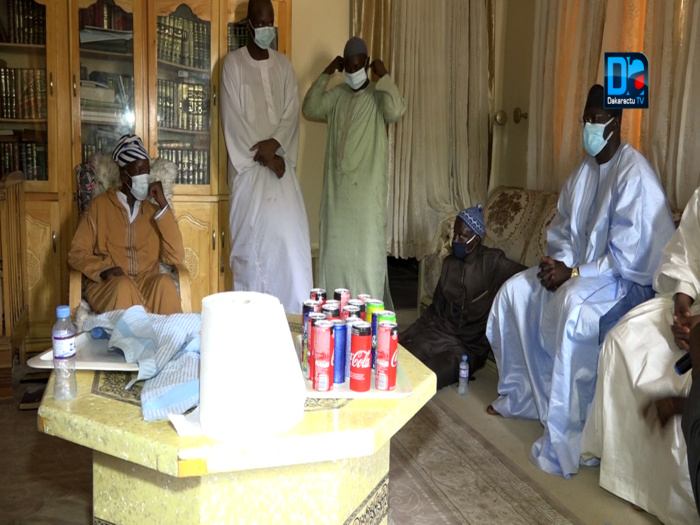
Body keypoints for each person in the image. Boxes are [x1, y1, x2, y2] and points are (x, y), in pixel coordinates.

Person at [486, 84, 675, 478]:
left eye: (596, 118)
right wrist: (559, 265)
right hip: (582, 274)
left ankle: (567, 438)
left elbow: (628, 257)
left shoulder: (635, 175)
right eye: (585, 117)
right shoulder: (582, 174)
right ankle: (523, 396)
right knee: (516, 292)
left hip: (626, 283)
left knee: (574, 308)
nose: (588, 125)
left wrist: (572, 274)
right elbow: (563, 232)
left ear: (616, 122)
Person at [580, 186, 700, 524]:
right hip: (693, 305)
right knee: (622, 340)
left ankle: (669, 498)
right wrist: (682, 302)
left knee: (678, 378)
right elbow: (685, 254)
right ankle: (633, 478)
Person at [219, 0, 312, 315]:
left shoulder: (284, 66)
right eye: (260, 23)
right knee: (252, 252)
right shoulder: (232, 65)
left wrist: (274, 146)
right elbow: (232, 119)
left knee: (291, 248)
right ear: (248, 25)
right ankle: (252, 324)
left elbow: (290, 114)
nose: (266, 29)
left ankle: (293, 323)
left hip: (281, 171)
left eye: (270, 23)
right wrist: (264, 156)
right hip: (248, 173)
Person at [302, 36, 406, 307]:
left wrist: (385, 76)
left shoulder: (378, 97)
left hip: (367, 202)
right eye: (348, 67)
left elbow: (396, 110)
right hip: (337, 200)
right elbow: (310, 107)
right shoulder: (337, 96)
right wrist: (326, 73)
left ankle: (367, 319)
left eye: (358, 66)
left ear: (367, 64)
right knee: (335, 261)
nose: (352, 71)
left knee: (366, 264)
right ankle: (334, 314)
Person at [400, 205, 525, 389]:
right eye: (455, 235)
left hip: (467, 348)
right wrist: (407, 333)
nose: (455, 241)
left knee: (426, 379)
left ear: (477, 240)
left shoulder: (493, 262)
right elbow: (434, 310)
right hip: (437, 334)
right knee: (402, 365)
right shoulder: (449, 264)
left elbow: (526, 275)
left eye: (462, 236)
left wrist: (558, 272)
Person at [68, 134, 185, 315]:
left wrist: (163, 205)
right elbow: (76, 253)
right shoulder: (100, 206)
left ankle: (171, 334)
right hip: (109, 284)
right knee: (124, 287)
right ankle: (130, 334)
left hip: (145, 282)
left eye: (147, 171)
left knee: (165, 284)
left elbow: (175, 256)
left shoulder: (154, 211)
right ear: (124, 176)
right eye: (139, 171)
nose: (145, 177)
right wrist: (103, 270)